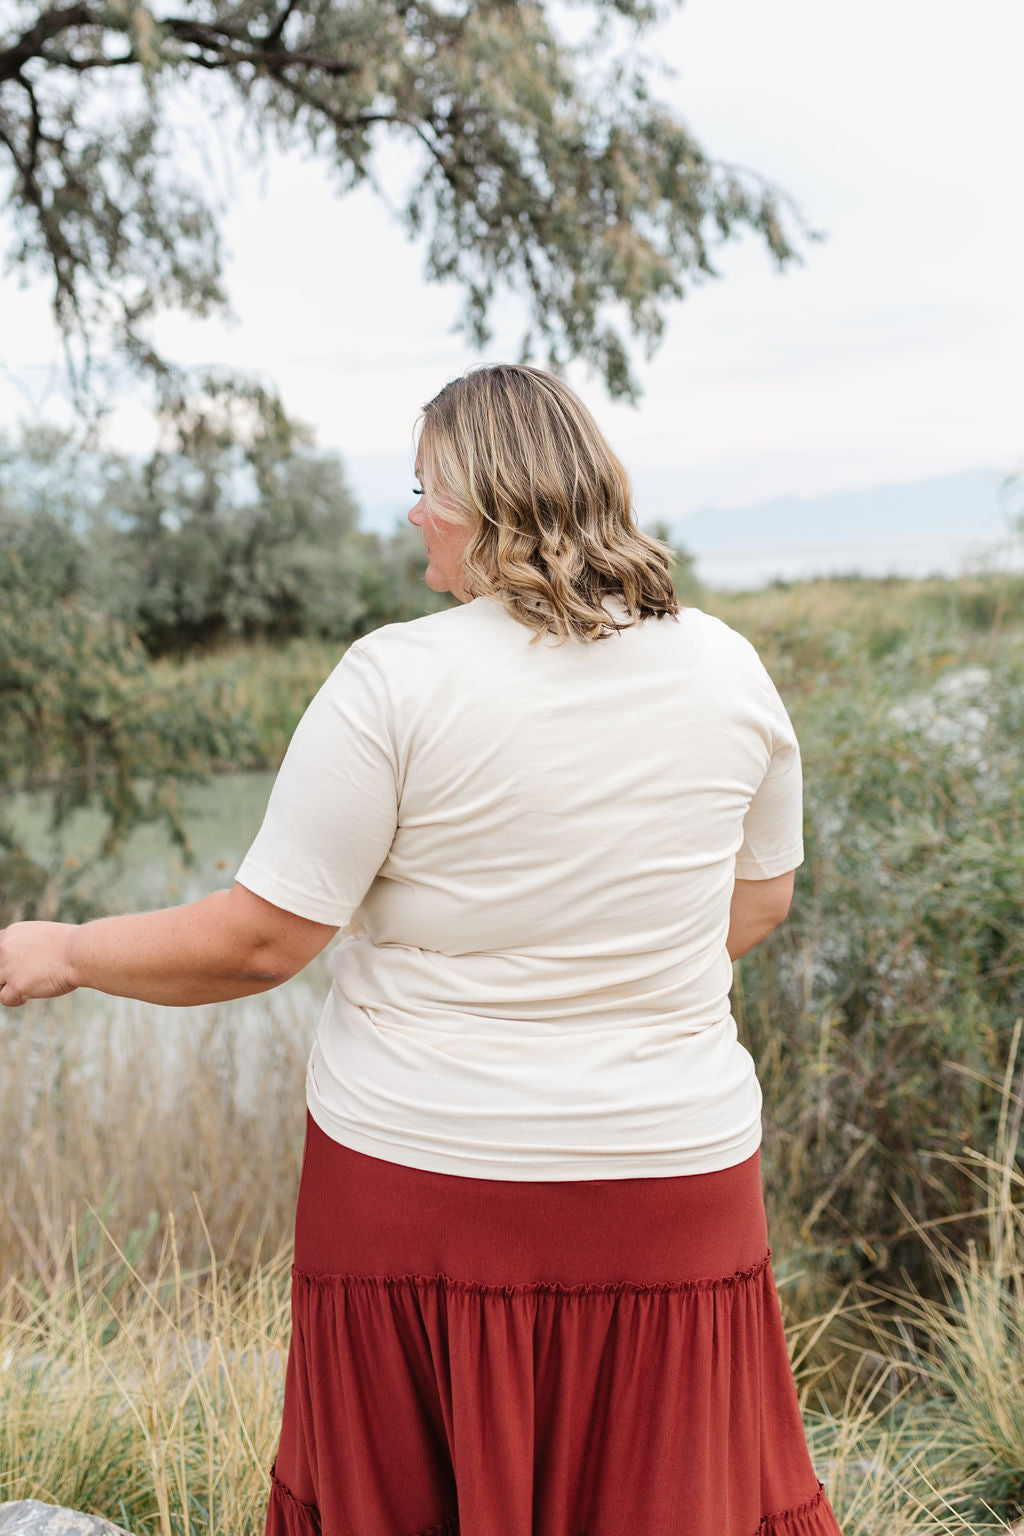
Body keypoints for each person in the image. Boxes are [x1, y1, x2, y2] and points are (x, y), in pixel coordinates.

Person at [0, 364, 843, 1536]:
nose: (411, 516)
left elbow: (258, 944)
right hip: (670, 1181)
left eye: (424, 488)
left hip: (425, 1187)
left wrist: (71, 949)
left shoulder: (394, 679)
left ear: (489, 503)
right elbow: (755, 910)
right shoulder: (727, 667)